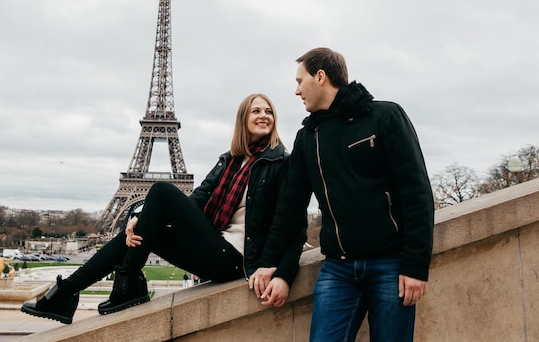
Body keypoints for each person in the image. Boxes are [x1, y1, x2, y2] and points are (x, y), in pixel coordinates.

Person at [22, 93, 307, 325]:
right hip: (214, 248)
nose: (263, 116)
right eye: (256, 111)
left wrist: (282, 274)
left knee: (160, 190)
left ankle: (127, 281)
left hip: (236, 259)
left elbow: (293, 225)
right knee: (136, 232)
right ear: (243, 119)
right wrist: (138, 217)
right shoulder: (229, 161)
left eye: (268, 111)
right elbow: (194, 201)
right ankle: (68, 291)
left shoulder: (282, 163)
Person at [264, 47, 435, 341]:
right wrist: (271, 263)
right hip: (338, 269)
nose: (296, 91)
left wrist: (416, 266)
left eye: (299, 81)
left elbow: (417, 193)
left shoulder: (385, 116)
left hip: (391, 265)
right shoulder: (307, 138)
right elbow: (290, 207)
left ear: (320, 77)